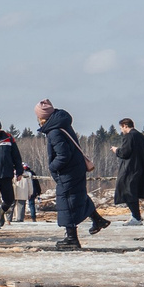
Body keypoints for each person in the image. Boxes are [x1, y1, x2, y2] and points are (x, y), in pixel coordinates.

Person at [35, 99, 107, 250]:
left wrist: (53, 167)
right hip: (76, 169)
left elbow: (63, 155)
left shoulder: (54, 132)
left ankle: (72, 239)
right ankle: (98, 219)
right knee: (77, 196)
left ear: (42, 118)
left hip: (68, 172)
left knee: (66, 202)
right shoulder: (62, 125)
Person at [110, 118, 144, 225]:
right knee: (132, 192)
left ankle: (136, 217)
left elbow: (125, 152)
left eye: (121, 128)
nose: (121, 130)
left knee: (127, 191)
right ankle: (136, 215)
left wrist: (116, 150)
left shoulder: (129, 136)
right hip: (140, 167)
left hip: (130, 168)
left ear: (125, 125)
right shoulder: (140, 136)